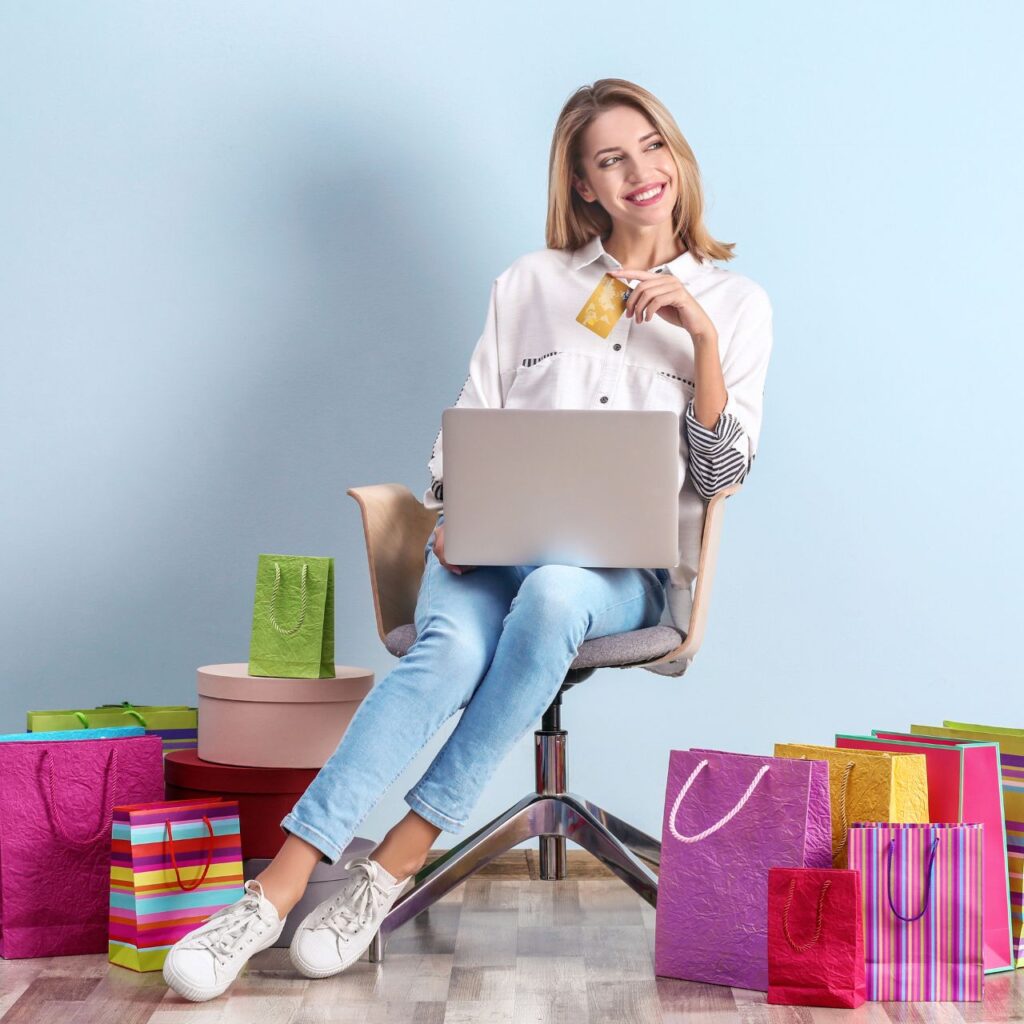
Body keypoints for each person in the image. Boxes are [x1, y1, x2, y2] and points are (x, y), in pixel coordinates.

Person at [162, 77, 773, 1002]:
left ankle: (391, 865)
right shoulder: (530, 285)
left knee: (560, 592)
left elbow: (721, 480)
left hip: (617, 575)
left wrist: (702, 346)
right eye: (612, 159)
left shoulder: (734, 303)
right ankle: (274, 891)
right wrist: (457, 507)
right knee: (445, 652)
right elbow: (467, 423)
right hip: (492, 549)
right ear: (583, 188)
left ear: (675, 154)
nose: (641, 171)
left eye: (652, 146)